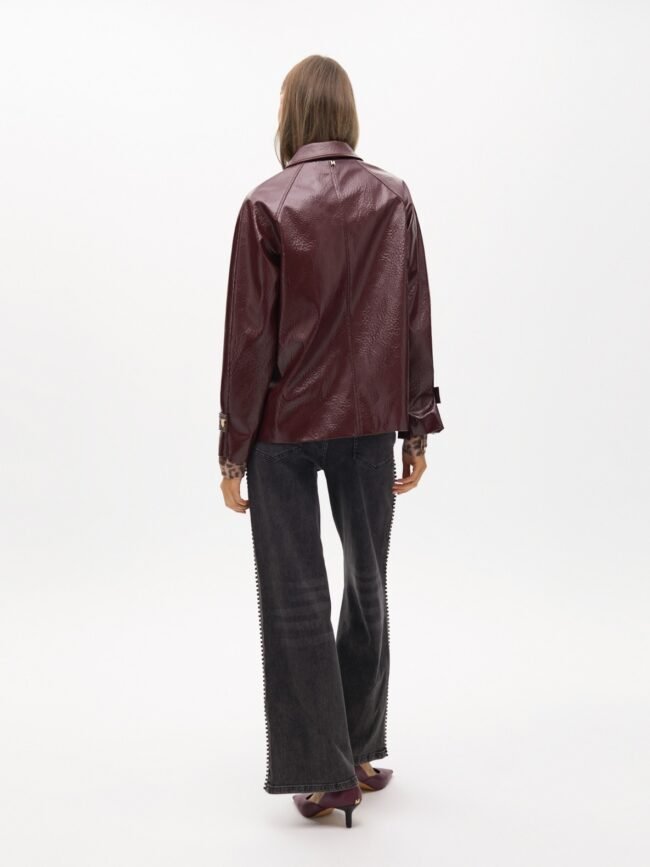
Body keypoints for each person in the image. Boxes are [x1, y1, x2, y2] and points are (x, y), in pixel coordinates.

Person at [217, 54, 444, 828]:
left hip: (283, 427)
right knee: (368, 582)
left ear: (291, 117)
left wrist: (233, 444)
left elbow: (249, 338)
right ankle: (360, 747)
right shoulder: (393, 196)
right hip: (370, 421)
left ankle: (326, 770)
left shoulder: (266, 203)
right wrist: (417, 421)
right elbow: (414, 314)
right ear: (346, 115)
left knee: (298, 598)